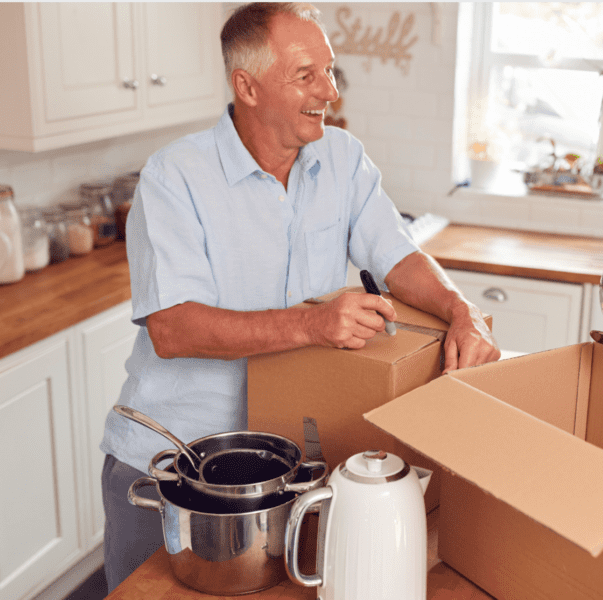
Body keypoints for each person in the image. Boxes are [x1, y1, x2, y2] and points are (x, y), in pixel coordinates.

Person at [99, 3, 500, 591]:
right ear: (247, 86)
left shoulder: (342, 159)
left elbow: (397, 254)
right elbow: (174, 328)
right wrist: (313, 326)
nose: (329, 92)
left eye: (330, 72)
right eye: (306, 75)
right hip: (178, 468)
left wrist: (462, 311)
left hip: (287, 470)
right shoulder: (173, 178)